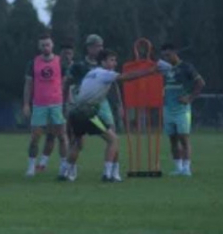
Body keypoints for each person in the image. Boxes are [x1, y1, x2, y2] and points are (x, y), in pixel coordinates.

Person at [62, 49, 165, 182]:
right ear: (102, 62)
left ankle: (66, 173)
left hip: (75, 112)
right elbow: (126, 77)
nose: (115, 63)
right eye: (111, 60)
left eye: (115, 60)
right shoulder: (105, 74)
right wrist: (151, 71)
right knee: (113, 139)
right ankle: (107, 173)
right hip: (88, 113)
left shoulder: (91, 73)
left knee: (76, 143)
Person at [63, 34, 124, 179]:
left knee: (112, 135)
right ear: (89, 47)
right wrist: (66, 102)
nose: (100, 48)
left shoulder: (105, 64)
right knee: (78, 140)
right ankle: (69, 171)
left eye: (101, 46)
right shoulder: (79, 66)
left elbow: (115, 84)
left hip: (102, 104)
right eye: (97, 46)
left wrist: (119, 104)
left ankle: (114, 171)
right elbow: (67, 83)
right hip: (86, 106)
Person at [23, 34, 69, 178]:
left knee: (61, 136)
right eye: (42, 45)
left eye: (47, 44)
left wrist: (66, 102)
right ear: (39, 47)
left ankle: (63, 166)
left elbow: (66, 84)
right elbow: (28, 85)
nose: (45, 47)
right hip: (39, 105)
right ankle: (31, 167)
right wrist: (26, 104)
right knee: (35, 137)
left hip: (57, 104)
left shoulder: (60, 62)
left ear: (52, 45)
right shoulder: (33, 63)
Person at [160, 43, 205, 177]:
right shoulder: (165, 68)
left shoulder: (186, 67)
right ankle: (178, 168)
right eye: (164, 56)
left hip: (181, 109)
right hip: (168, 108)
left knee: (184, 139)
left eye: (168, 55)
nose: (166, 58)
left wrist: (190, 98)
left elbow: (201, 83)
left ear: (175, 52)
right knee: (172, 139)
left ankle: (187, 168)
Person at [36, 41, 74, 172]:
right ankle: (44, 163)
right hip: (58, 104)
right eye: (64, 53)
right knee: (52, 134)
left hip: (71, 105)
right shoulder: (56, 66)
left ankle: (67, 164)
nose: (66, 56)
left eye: (69, 53)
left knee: (67, 136)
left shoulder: (76, 67)